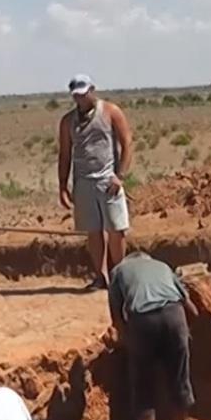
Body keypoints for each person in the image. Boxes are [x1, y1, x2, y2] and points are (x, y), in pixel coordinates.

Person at [108, 252, 199, 420]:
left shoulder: (119, 271)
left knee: (143, 386)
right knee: (179, 379)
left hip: (143, 321)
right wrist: (184, 333)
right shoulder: (164, 266)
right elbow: (191, 308)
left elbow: (117, 319)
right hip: (175, 315)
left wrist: (129, 344)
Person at [57, 74, 134, 290]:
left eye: (84, 94)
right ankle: (100, 277)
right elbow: (64, 154)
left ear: (92, 89)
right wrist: (63, 185)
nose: (80, 99)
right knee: (93, 230)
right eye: (76, 96)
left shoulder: (110, 111)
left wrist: (120, 176)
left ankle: (120, 277)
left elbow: (127, 143)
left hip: (108, 180)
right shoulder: (67, 121)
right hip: (83, 182)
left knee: (116, 229)